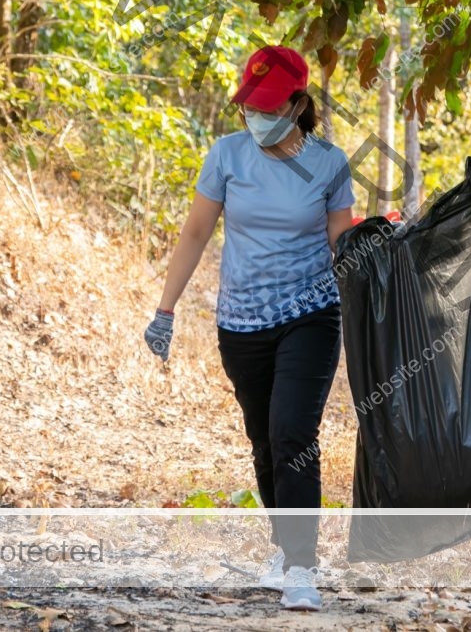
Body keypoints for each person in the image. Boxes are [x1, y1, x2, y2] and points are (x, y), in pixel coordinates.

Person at [143, 46, 355, 612]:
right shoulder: (227, 155)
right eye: (249, 106)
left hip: (311, 313)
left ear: (298, 103)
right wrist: (165, 309)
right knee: (264, 440)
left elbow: (341, 242)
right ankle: (285, 550)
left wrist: (379, 256)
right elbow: (194, 234)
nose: (255, 117)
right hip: (240, 322)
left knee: (293, 433)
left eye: (267, 107)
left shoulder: (329, 164)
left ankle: (303, 567)